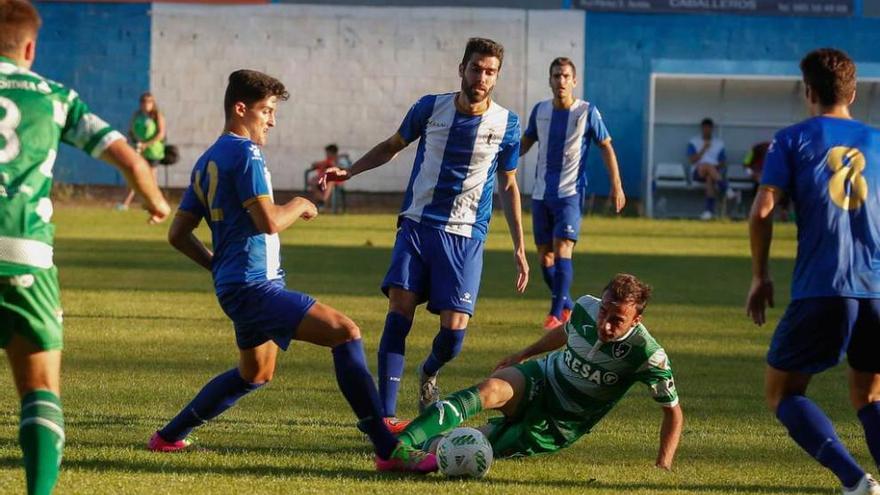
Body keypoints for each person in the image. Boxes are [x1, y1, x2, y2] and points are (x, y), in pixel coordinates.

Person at [148, 69, 436, 474]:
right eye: (266, 111)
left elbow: (178, 235)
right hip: (254, 286)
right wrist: (301, 203)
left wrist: (218, 267)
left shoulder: (207, 159)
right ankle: (387, 448)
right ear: (240, 108)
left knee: (256, 373)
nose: (272, 120)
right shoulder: (244, 154)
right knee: (345, 332)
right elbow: (268, 221)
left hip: (238, 285)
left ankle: (168, 437)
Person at [0, 2, 171, 493]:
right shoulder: (55, 98)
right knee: (39, 390)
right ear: (30, 48)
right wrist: (156, 202)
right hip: (24, 253)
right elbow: (130, 160)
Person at [322, 37, 529, 431]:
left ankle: (429, 371)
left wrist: (520, 246)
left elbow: (509, 184)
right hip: (417, 225)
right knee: (398, 313)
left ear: (496, 76)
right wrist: (351, 172)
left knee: (452, 338)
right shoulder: (430, 107)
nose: (482, 77)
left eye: (490, 72)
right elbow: (391, 146)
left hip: (466, 236)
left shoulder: (507, 124)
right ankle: (385, 416)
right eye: (476, 68)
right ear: (461, 69)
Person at [746, 48, 880, 495]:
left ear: (808, 92)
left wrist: (760, 276)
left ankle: (855, 480)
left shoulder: (792, 140)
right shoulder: (877, 141)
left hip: (823, 286)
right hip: (877, 288)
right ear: (853, 92)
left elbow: (762, 212)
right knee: (869, 396)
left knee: (782, 392)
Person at [396, 273, 683, 467]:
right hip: (542, 378)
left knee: (471, 447)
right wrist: (523, 354)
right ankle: (396, 445)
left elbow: (673, 412)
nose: (605, 323)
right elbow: (565, 333)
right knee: (489, 389)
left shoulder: (648, 355)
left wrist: (662, 466)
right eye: (604, 311)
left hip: (559, 423)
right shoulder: (584, 306)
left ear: (636, 320)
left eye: (617, 319)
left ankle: (423, 438)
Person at [519, 57, 625, 331]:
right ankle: (567, 305)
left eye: (566, 76)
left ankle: (555, 315)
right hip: (541, 192)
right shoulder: (540, 111)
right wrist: (495, 161)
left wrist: (617, 185)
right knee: (544, 257)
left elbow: (606, 146)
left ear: (574, 81)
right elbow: (525, 143)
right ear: (550, 80)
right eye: (556, 76)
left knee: (563, 247)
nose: (561, 81)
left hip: (570, 192)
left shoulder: (587, 112)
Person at [118, 92, 165, 210]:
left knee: (152, 179)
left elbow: (161, 134)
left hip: (153, 151)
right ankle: (125, 203)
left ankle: (156, 204)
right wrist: (136, 142)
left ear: (153, 103)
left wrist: (147, 144)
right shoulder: (137, 115)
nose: (146, 104)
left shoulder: (156, 115)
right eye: (143, 101)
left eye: (149, 101)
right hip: (138, 150)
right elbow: (131, 130)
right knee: (135, 175)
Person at [687, 118, 727, 220]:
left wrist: (714, 167)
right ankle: (726, 188)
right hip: (698, 172)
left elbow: (723, 162)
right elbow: (692, 160)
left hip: (714, 173)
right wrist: (704, 149)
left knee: (709, 178)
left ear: (712, 129)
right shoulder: (694, 142)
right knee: (705, 165)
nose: (706, 130)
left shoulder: (719, 143)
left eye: (709, 128)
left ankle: (708, 211)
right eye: (704, 128)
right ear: (701, 128)